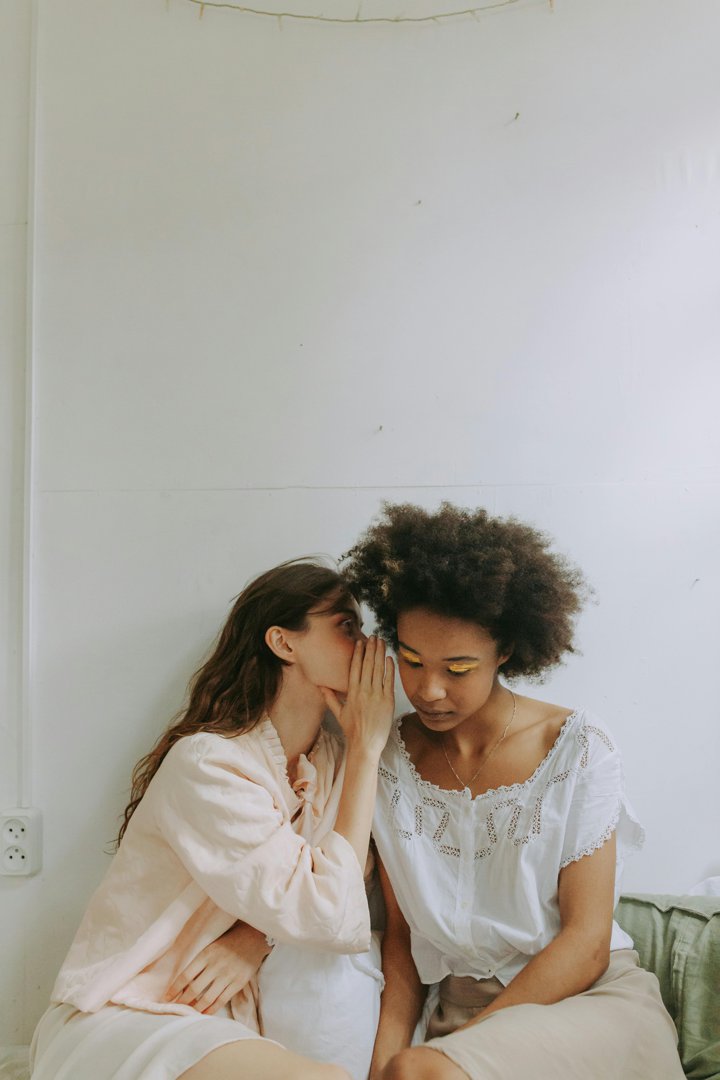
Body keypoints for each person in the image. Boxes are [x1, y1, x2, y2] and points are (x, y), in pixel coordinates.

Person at [341, 503, 685, 1080]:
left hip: (588, 1005)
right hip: (451, 1023)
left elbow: (586, 942)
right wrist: (384, 1065)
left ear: (505, 651)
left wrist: (448, 1053)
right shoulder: (388, 758)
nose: (428, 690)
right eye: (412, 660)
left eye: (458, 669)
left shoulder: (576, 748)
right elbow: (402, 943)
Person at [30, 559, 395, 1080]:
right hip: (128, 1011)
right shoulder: (209, 764)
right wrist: (368, 749)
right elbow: (327, 913)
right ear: (284, 643)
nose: (367, 646)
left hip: (220, 1018)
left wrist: (254, 939)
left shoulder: (333, 762)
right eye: (345, 626)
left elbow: (348, 885)